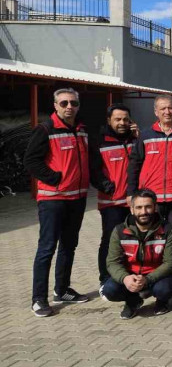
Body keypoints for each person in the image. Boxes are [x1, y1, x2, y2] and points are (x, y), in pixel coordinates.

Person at [24, 88, 91, 317]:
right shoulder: (45, 129)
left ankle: (62, 290)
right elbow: (31, 161)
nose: (69, 106)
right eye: (64, 103)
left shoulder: (81, 129)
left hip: (77, 198)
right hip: (53, 200)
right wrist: (55, 178)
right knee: (47, 248)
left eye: (73, 102)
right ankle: (38, 299)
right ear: (55, 105)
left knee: (69, 246)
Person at [128, 94, 172, 273]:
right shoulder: (145, 135)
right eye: (163, 108)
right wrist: (131, 192)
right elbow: (134, 164)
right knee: (152, 237)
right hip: (151, 199)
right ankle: (153, 274)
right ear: (156, 111)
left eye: (170, 108)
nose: (167, 111)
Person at [104, 189, 172, 319]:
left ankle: (162, 302)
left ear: (155, 207)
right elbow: (112, 262)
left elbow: (171, 262)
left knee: (164, 289)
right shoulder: (119, 231)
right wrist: (125, 278)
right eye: (139, 207)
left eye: (148, 207)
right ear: (132, 209)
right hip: (130, 275)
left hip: (156, 275)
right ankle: (132, 301)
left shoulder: (168, 229)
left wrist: (148, 279)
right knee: (109, 290)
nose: (143, 212)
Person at [90, 103, 138, 293]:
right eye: (117, 119)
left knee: (133, 241)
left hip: (134, 202)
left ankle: (129, 276)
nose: (122, 123)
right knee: (110, 241)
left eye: (126, 119)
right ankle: (105, 279)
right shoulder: (99, 141)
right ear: (109, 120)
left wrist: (138, 137)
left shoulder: (135, 140)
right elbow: (93, 171)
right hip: (111, 202)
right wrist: (107, 187)